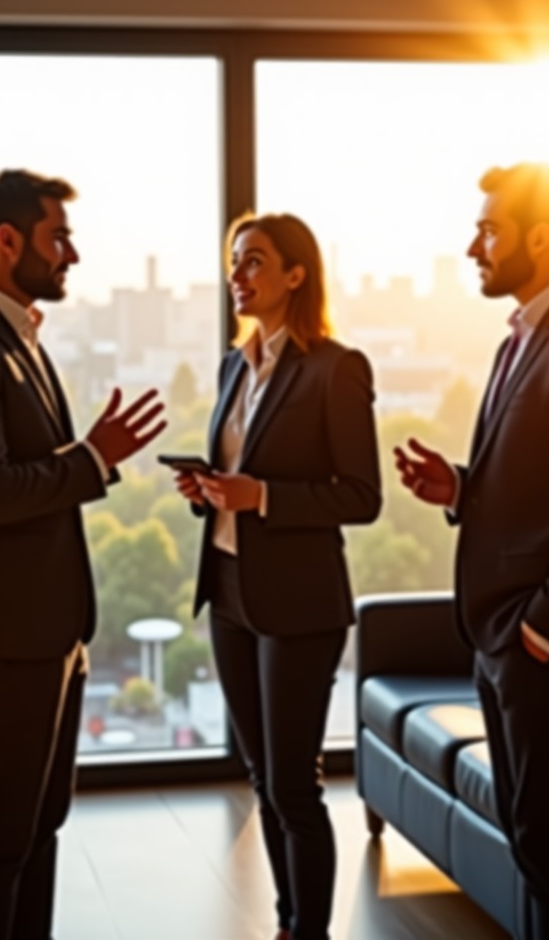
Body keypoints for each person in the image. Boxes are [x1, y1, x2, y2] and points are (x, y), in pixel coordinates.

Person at [0, 168, 166, 940]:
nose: (73, 257)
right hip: (6, 636)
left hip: (49, 632)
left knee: (36, 829)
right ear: (8, 240)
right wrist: (92, 458)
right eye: (60, 238)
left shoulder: (14, 338)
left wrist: (89, 458)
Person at [394, 163, 549, 940]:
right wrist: (461, 490)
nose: (475, 245)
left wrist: (541, 628)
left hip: (542, 649)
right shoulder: (526, 340)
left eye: (490, 229)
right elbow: (543, 491)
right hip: (504, 640)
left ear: (541, 237)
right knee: (534, 847)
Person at [174, 212, 381, 940]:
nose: (239, 275)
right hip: (230, 593)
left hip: (301, 604)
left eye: (255, 261)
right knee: (263, 781)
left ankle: (310, 933)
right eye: (235, 261)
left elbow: (362, 496)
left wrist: (261, 496)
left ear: (297, 274)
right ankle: (288, 923)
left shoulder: (337, 367)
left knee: (295, 785)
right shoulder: (236, 364)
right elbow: (241, 471)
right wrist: (213, 489)